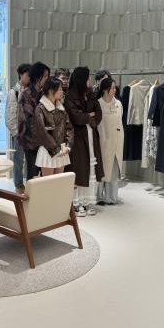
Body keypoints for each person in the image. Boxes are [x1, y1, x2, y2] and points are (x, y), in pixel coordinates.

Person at [65, 66, 105, 217]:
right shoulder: (70, 96)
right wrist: (89, 116)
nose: (90, 80)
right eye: (88, 77)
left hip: (91, 135)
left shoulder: (91, 94)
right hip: (78, 138)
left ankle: (87, 201)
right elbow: (75, 117)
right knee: (78, 169)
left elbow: (99, 114)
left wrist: (87, 117)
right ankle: (76, 203)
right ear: (81, 79)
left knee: (90, 170)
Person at [17, 61, 51, 181]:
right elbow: (29, 119)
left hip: (45, 139)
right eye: (45, 76)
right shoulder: (25, 94)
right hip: (30, 140)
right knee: (33, 174)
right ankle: (30, 194)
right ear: (37, 77)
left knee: (46, 175)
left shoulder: (45, 94)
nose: (47, 79)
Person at [34, 78, 73, 176]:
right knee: (48, 184)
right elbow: (43, 133)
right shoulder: (40, 108)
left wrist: (68, 146)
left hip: (62, 150)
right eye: (59, 89)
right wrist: (57, 149)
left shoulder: (61, 108)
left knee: (58, 183)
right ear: (51, 91)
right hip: (48, 150)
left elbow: (69, 128)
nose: (62, 91)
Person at [96, 77, 124, 205]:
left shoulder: (118, 104)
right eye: (112, 88)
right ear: (104, 89)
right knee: (101, 170)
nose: (114, 90)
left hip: (116, 140)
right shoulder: (98, 104)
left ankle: (111, 197)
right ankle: (98, 197)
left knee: (113, 170)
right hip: (102, 141)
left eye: (114, 87)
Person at [5, 63, 31, 191]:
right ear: (21, 74)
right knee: (19, 160)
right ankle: (19, 185)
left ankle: (31, 184)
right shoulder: (13, 92)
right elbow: (10, 116)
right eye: (27, 75)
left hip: (31, 132)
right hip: (19, 133)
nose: (29, 78)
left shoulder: (32, 91)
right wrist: (16, 133)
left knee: (30, 159)